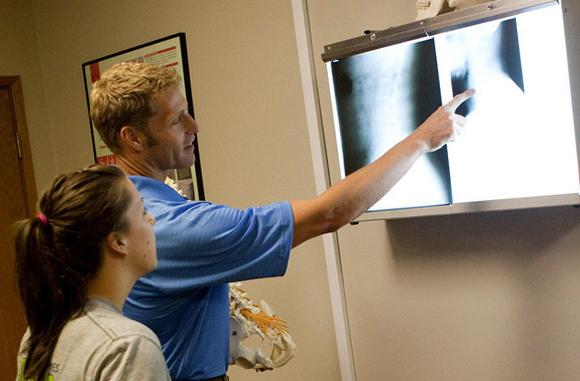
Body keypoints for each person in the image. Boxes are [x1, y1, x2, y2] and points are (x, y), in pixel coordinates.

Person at [90, 61, 474, 381]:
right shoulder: (167, 225)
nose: (194, 126)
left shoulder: (117, 200)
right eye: (177, 120)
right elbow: (329, 213)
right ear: (133, 138)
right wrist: (422, 140)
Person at [14, 165, 171, 381]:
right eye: (142, 211)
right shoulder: (127, 346)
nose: (151, 219)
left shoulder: (37, 333)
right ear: (118, 241)